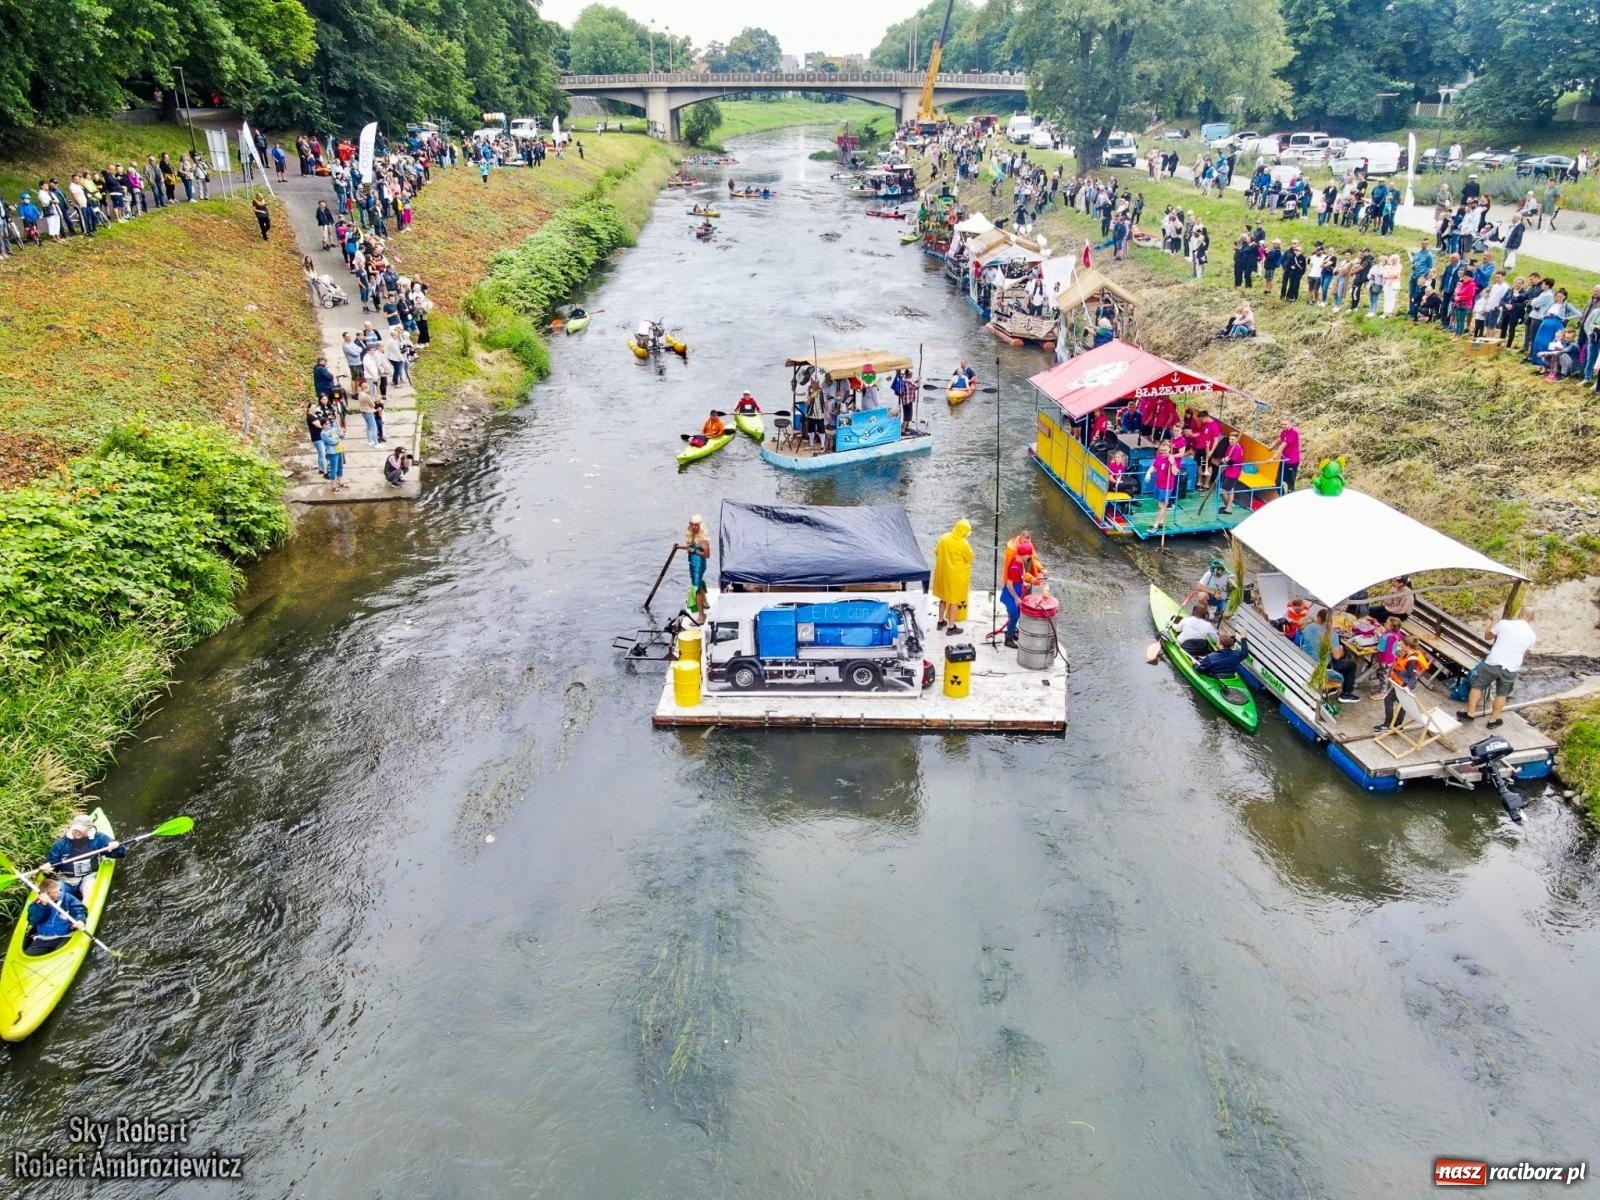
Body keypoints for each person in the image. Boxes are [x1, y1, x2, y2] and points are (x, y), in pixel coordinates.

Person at [1459, 609, 1536, 727]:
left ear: (1519, 614)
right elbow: (1526, 653)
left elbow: (1488, 636)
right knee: (1502, 694)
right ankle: (1493, 720)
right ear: (1532, 619)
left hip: (1493, 662)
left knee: (1477, 686)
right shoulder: (1532, 636)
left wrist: (1494, 621)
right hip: (1511, 667)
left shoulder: (1504, 623)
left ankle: (1470, 714)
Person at [46, 813, 126, 900]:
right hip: (67, 880)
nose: (77, 832)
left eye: (80, 830)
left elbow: (121, 853)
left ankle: (85, 910)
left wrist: (116, 847)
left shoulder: (98, 838)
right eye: (75, 829)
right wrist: (47, 869)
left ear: (89, 829)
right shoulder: (60, 844)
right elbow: (52, 869)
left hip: (88, 877)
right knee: (54, 893)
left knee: (89, 888)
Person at [1375, 635, 1431, 731]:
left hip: (1403, 685)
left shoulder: (1411, 661)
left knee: (1388, 700)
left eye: (1402, 643)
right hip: (1400, 683)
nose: (1400, 644)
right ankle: (1398, 724)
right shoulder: (1408, 654)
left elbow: (1412, 676)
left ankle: (1388, 724)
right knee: (1402, 703)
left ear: (1407, 646)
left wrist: (1407, 687)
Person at [24, 874, 88, 956]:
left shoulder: (67, 898)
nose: (59, 893)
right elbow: (33, 920)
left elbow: (79, 910)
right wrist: (42, 906)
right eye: (55, 892)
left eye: (59, 890)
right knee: (29, 954)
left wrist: (80, 920)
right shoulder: (36, 905)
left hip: (65, 936)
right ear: (46, 894)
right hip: (43, 938)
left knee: (61, 954)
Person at [932, 519, 974, 634]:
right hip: (956, 577)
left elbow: (936, 552)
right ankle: (951, 627)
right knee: (954, 601)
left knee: (943, 598)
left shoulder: (944, 538)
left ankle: (940, 621)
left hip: (943, 574)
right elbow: (970, 558)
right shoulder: (964, 543)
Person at [1000, 537, 1041, 648]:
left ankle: (1012, 632)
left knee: (1017, 615)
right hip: (1010, 595)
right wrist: (1016, 598)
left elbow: (1022, 576)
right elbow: (1009, 585)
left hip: (1017, 591)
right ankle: (1008, 639)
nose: (1029, 557)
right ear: (1024, 555)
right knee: (1014, 616)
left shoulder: (1019, 562)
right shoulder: (1014, 567)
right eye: (1028, 555)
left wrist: (1029, 581)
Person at [680, 515, 710, 594]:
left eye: (696, 525)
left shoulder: (703, 539)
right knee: (696, 585)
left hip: (699, 565)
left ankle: (699, 606)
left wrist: (694, 551)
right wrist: (678, 547)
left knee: (696, 587)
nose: (693, 527)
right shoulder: (693, 536)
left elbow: (707, 555)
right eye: (692, 524)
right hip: (692, 564)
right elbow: (691, 547)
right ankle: (702, 604)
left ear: (700, 526)